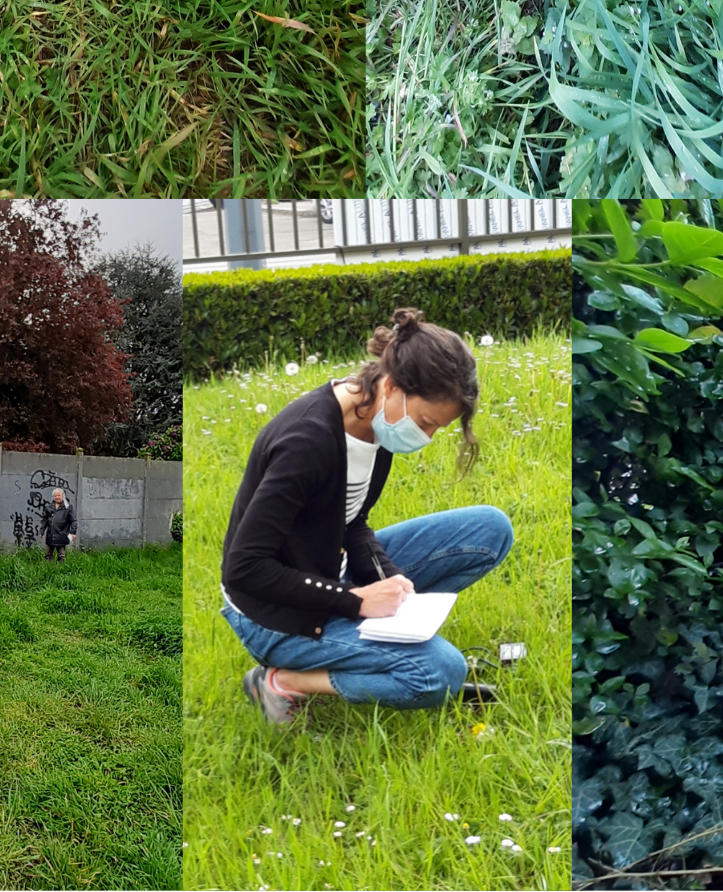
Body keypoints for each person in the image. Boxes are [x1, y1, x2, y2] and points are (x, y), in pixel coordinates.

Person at [220, 307, 515, 724]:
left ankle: (394, 642)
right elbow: (243, 569)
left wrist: (388, 579)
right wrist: (355, 601)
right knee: (441, 673)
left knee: (489, 530)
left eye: (437, 429)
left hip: (326, 567)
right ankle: (282, 682)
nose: (426, 438)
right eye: (427, 422)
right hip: (272, 615)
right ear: (392, 385)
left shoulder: (375, 421)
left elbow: (350, 521)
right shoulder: (306, 442)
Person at [44, 485, 77, 560]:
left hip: (62, 535)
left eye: (59, 495)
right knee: (48, 554)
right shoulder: (49, 507)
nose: (57, 497)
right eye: (55, 496)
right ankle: (48, 568)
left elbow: (73, 520)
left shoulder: (68, 507)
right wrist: (42, 531)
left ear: (63, 496)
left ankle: (61, 569)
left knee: (61, 555)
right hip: (50, 535)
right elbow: (45, 520)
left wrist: (73, 532)